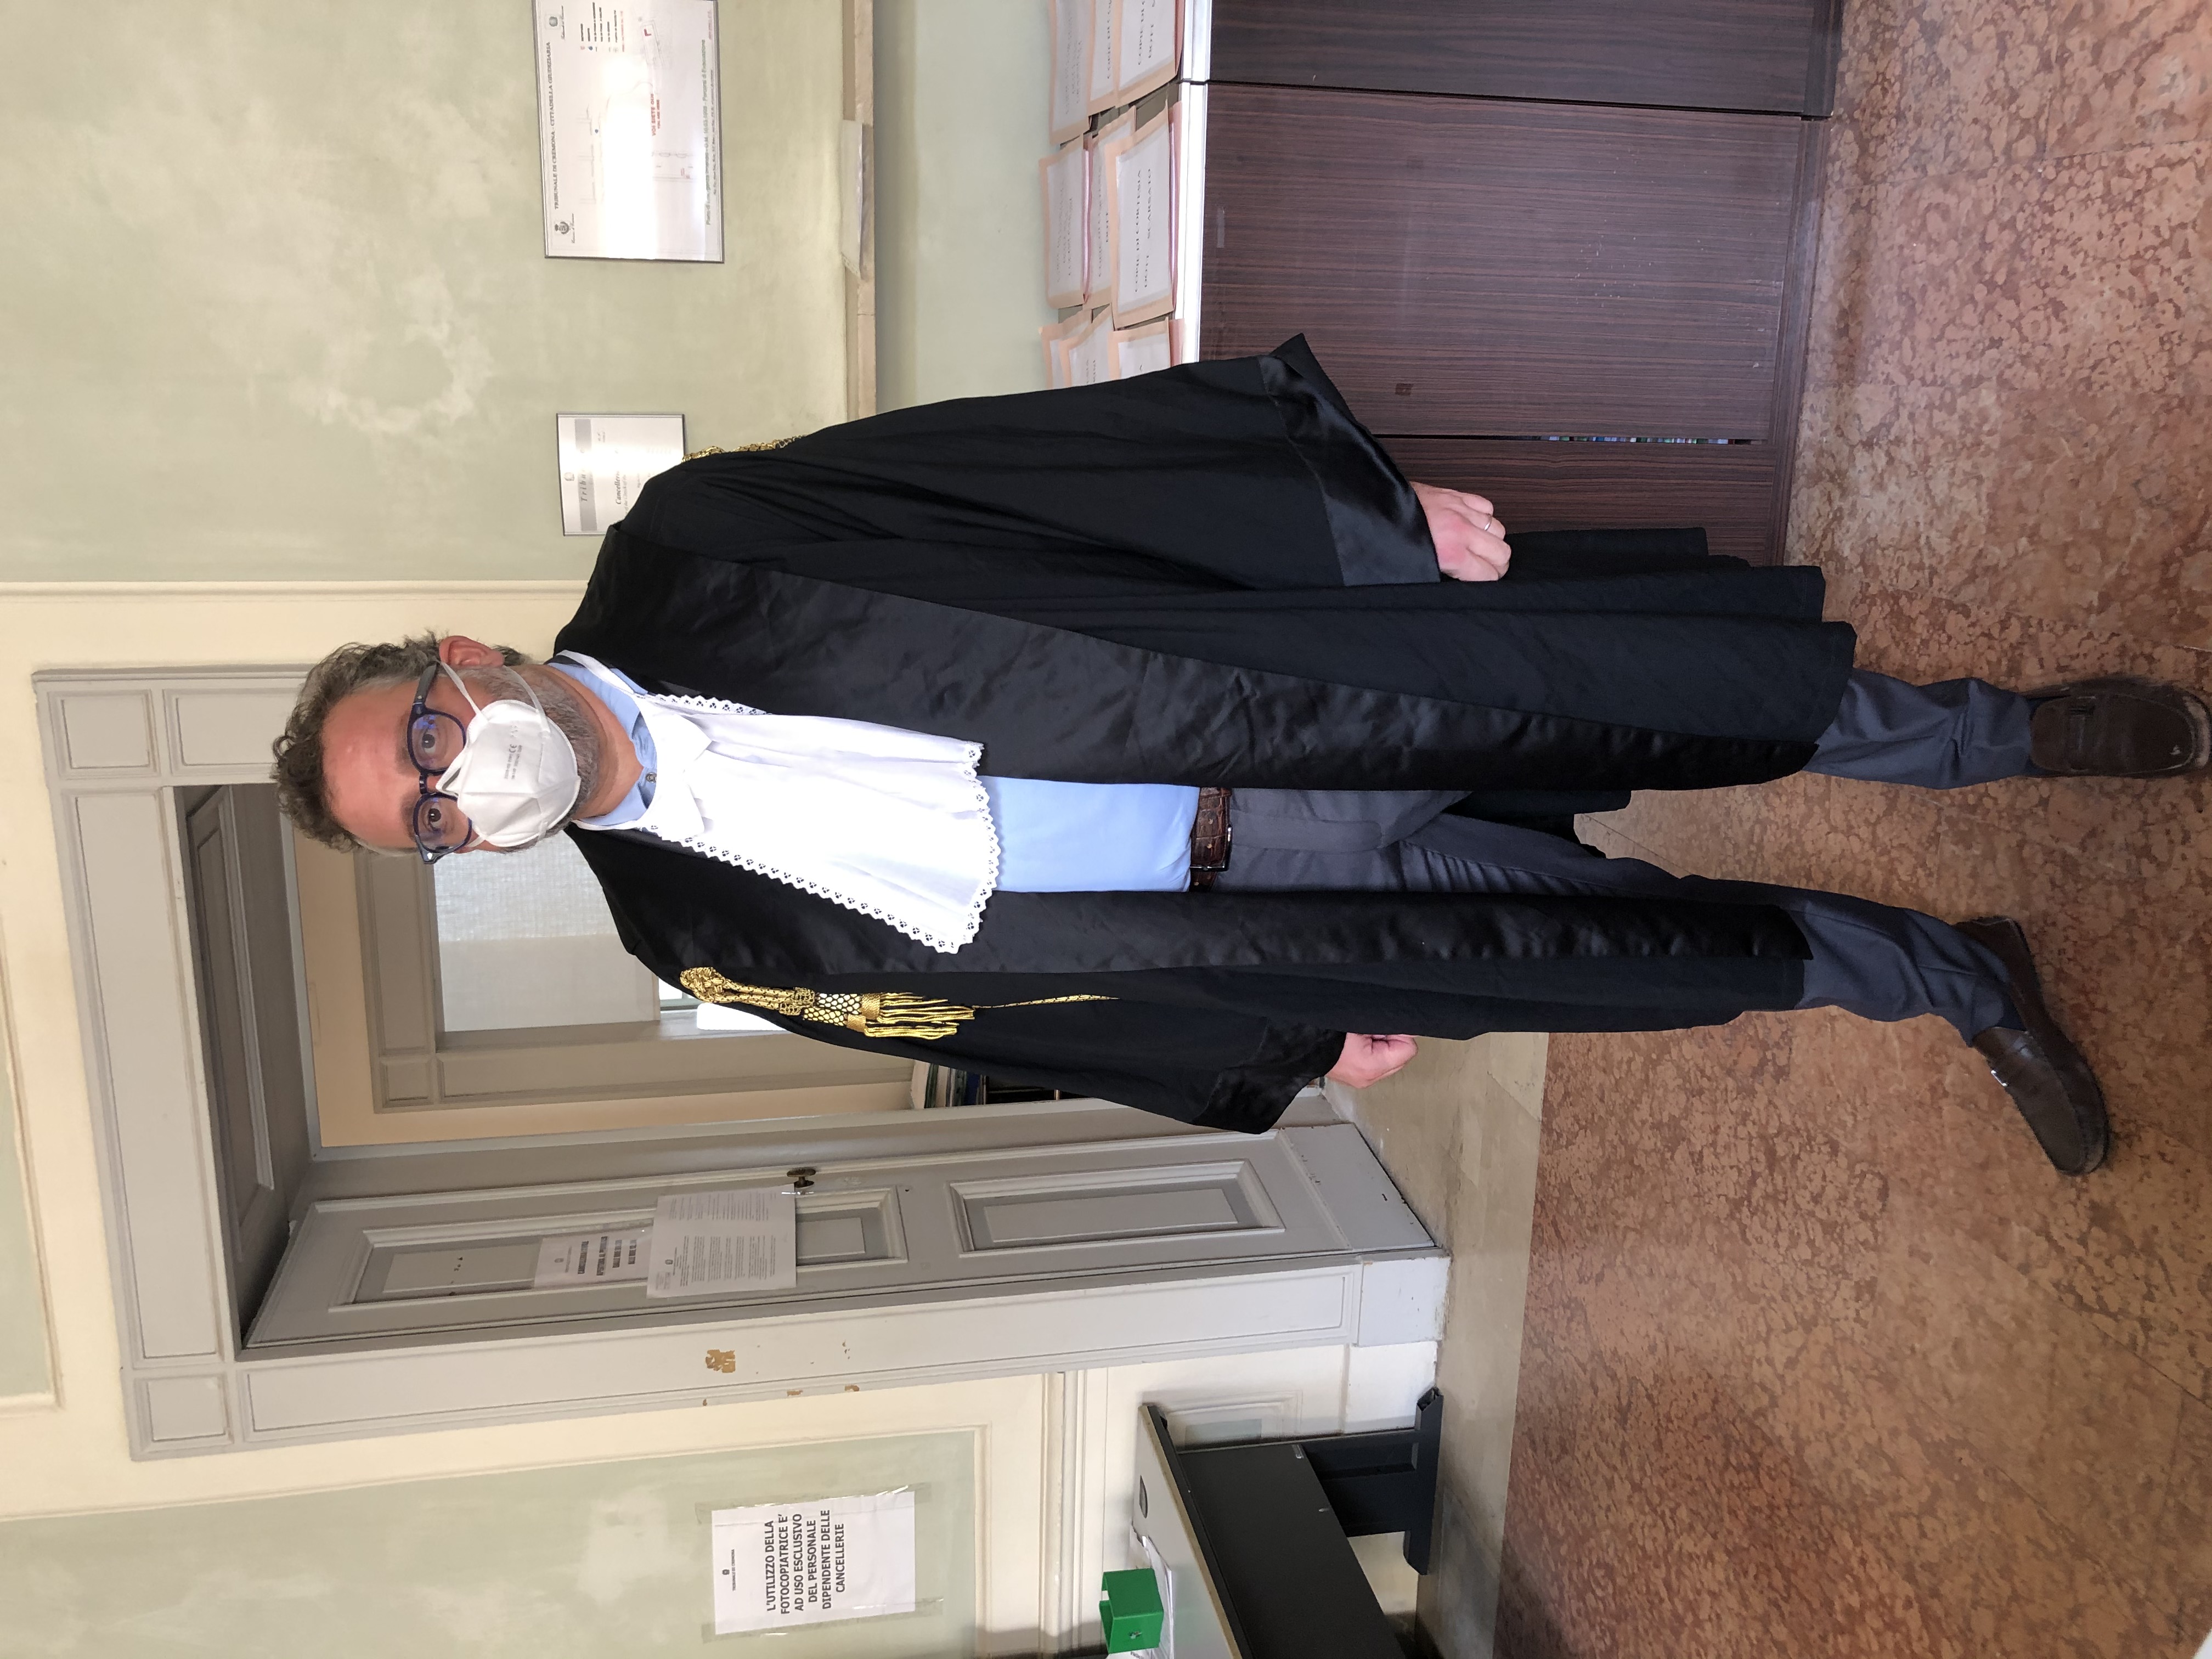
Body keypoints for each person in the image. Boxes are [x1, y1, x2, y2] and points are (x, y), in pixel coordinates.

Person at [271, 338, 2207, 1177]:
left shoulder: (697, 546)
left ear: (464, 660)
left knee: (1667, 695)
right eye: (428, 821)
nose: (463, 784)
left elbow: (1012, 467)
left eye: (428, 736)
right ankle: (1959, 981)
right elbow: (997, 1025)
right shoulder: (683, 937)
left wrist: (1354, 521)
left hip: (1275, 692)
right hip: (1256, 913)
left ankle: (2016, 736)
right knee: (1634, 948)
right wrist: (1263, 1046)